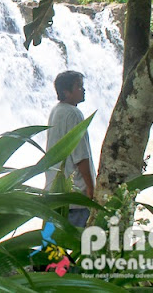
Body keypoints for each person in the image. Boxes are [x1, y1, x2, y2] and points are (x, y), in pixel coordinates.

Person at [44, 71, 96, 228]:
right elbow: (81, 156)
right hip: (75, 196)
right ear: (66, 92)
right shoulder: (74, 114)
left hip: (55, 193)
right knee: (79, 245)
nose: (83, 90)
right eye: (79, 86)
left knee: (56, 246)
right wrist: (91, 188)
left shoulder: (56, 111)